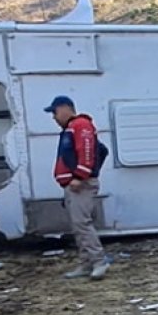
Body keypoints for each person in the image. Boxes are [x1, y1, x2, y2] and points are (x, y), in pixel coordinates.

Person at [46, 96, 109, 280]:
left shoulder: (80, 125)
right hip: (73, 185)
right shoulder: (71, 128)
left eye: (55, 112)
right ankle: (86, 262)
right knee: (78, 225)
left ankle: (98, 261)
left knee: (82, 223)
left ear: (65, 109)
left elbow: (86, 150)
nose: (54, 117)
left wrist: (81, 176)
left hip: (79, 184)